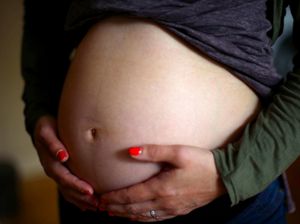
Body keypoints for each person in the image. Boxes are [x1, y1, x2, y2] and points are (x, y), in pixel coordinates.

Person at [21, 0, 300, 223]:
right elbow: (42, 20)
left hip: (222, 199)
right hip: (83, 198)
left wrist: (228, 174)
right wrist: (40, 110)